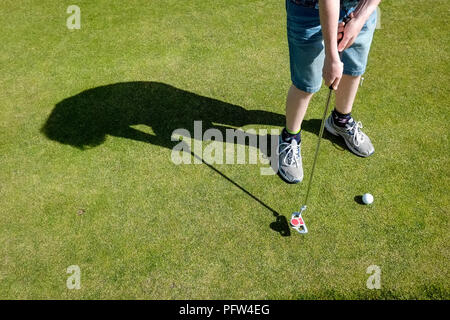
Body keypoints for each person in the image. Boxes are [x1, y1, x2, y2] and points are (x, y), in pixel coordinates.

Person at [278, 0, 381, 183]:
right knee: (306, 83)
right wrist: (332, 56)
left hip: (358, 7)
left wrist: (359, 18)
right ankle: (290, 137)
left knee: (354, 68)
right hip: (308, 9)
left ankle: (340, 121)